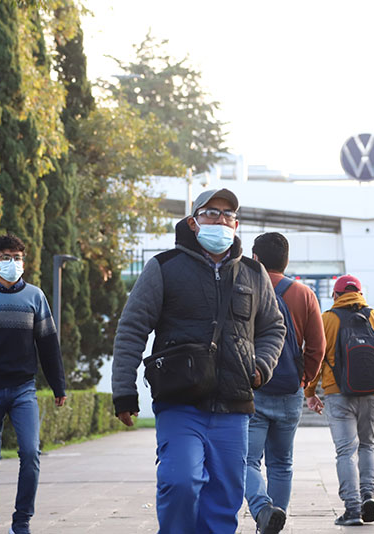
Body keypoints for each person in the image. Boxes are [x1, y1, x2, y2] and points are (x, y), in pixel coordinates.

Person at [112, 188, 285, 534]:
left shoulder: (254, 273)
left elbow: (273, 328)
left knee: (224, 498)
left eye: (228, 215)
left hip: (234, 404)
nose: (220, 220)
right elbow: (132, 328)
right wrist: (124, 391)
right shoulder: (164, 267)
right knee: (180, 481)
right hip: (180, 402)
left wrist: (261, 366)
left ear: (236, 224)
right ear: (193, 222)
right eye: (211, 213)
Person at [0, 234, 67, 534]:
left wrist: (58, 386)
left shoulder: (35, 297)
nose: (13, 263)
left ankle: (22, 521)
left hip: (23, 388)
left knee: (30, 453)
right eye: (6, 257)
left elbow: (48, 344)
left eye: (18, 257)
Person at [304, 274, 374, 526]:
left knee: (345, 450)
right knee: (367, 445)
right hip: (373, 394)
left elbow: (314, 357)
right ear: (360, 294)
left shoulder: (326, 320)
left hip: (338, 393)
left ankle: (352, 508)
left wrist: (310, 392)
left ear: (335, 295)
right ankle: (368, 495)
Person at [246, 232, 326, 534]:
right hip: (289, 389)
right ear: (286, 260)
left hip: (251, 388)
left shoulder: (245, 288)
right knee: (281, 462)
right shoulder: (304, 294)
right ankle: (273, 521)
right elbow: (317, 347)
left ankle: (262, 509)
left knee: (247, 460)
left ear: (255, 258)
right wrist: (303, 379)